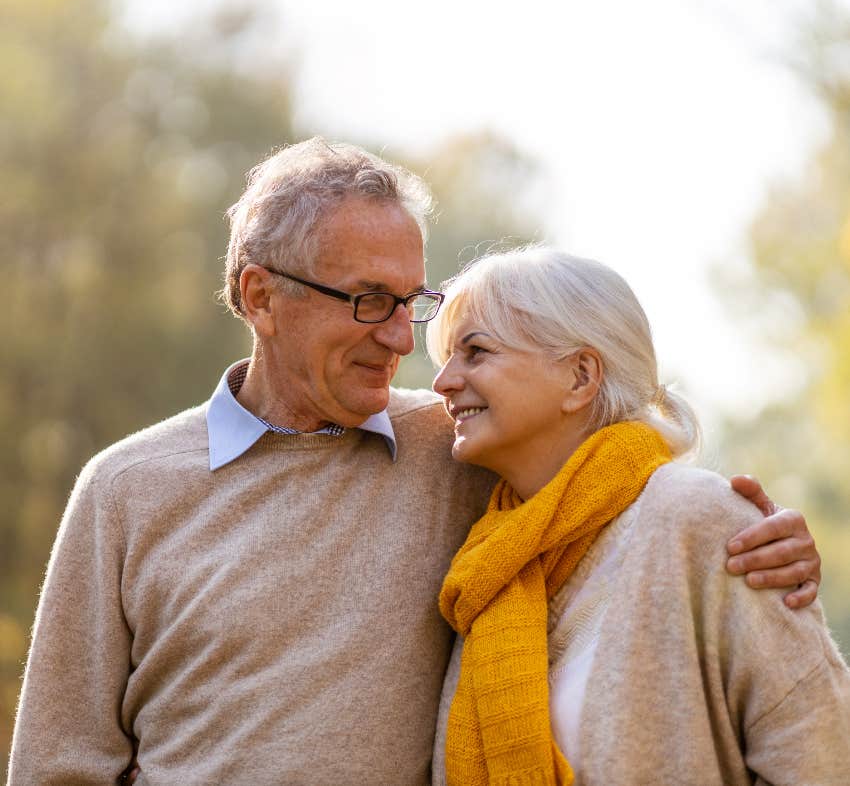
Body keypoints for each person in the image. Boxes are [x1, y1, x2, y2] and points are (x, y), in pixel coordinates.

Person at [8, 140, 822, 785]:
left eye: (411, 302)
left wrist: (766, 541)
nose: (403, 340)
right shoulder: (125, 489)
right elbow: (58, 765)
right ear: (260, 297)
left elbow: (609, 461)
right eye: (368, 300)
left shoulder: (463, 446)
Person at [428, 246, 850, 786]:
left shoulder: (698, 518)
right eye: (445, 360)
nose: (442, 383)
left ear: (580, 377)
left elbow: (820, 753)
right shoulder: (489, 565)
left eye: (476, 352)